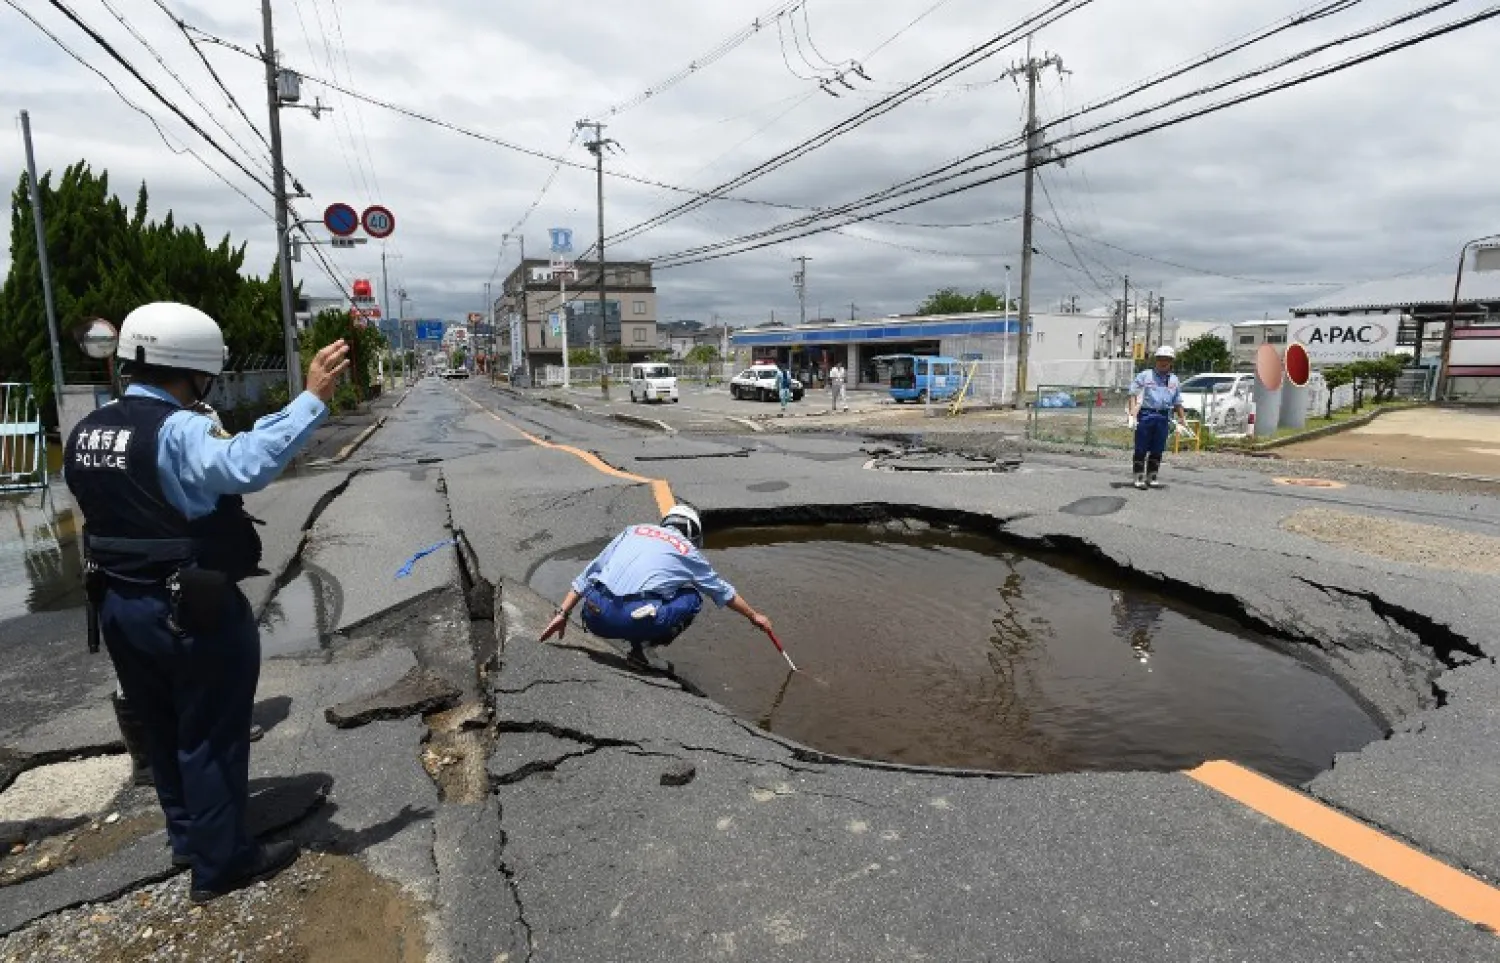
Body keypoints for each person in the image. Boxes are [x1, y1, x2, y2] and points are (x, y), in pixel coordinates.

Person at [65, 302, 350, 903]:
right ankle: (223, 864)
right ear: (196, 368)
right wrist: (312, 399)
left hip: (118, 603)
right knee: (211, 732)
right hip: (187, 607)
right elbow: (246, 462)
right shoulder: (178, 430)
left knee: (162, 729)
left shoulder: (90, 429)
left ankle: (190, 838)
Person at [538, 504, 774, 664]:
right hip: (630, 620)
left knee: (635, 588)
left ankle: (638, 640)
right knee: (692, 597)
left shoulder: (633, 530)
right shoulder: (688, 551)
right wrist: (754, 616)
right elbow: (723, 592)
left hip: (593, 613)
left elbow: (591, 572)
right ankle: (646, 645)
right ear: (693, 533)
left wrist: (562, 613)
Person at [1126, 345, 1189, 490]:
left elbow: (1177, 401)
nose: (1163, 362)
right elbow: (1133, 394)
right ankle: (1138, 477)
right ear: (1156, 360)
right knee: (1141, 447)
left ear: (1171, 361)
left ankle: (1152, 476)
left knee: (1158, 448)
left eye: (1167, 359)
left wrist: (1182, 418)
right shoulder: (1145, 375)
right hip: (1146, 414)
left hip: (1163, 416)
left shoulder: (1174, 380)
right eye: (1161, 359)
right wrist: (1132, 414)